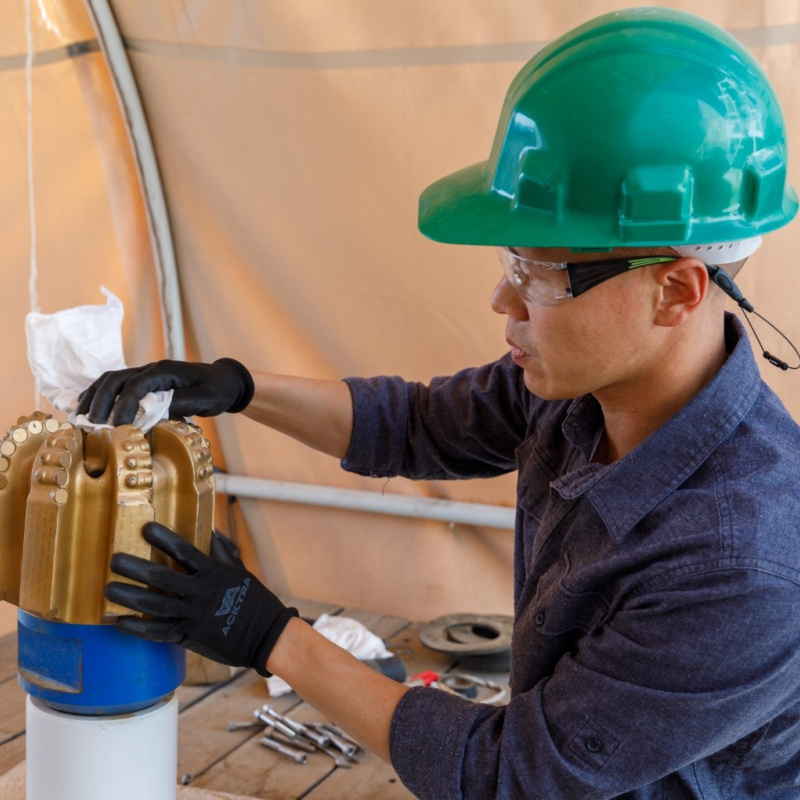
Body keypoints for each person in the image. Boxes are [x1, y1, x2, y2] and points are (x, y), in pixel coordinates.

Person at [80, 8, 800, 799]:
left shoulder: (743, 562)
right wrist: (238, 387)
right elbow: (419, 425)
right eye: (510, 261)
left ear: (674, 290)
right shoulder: (587, 390)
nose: (504, 300)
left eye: (539, 274)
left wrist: (269, 635)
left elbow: (507, 775)